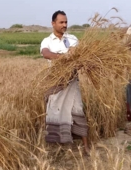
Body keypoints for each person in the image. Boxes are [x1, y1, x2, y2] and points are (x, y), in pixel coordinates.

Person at [40, 10, 90, 154]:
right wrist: (65, 57)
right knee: (54, 110)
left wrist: (75, 57)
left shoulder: (73, 39)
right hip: (55, 82)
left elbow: (79, 56)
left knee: (78, 110)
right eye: (61, 22)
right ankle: (56, 146)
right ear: (53, 23)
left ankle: (85, 146)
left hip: (73, 82)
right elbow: (46, 54)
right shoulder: (47, 41)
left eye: (66, 22)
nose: (64, 25)